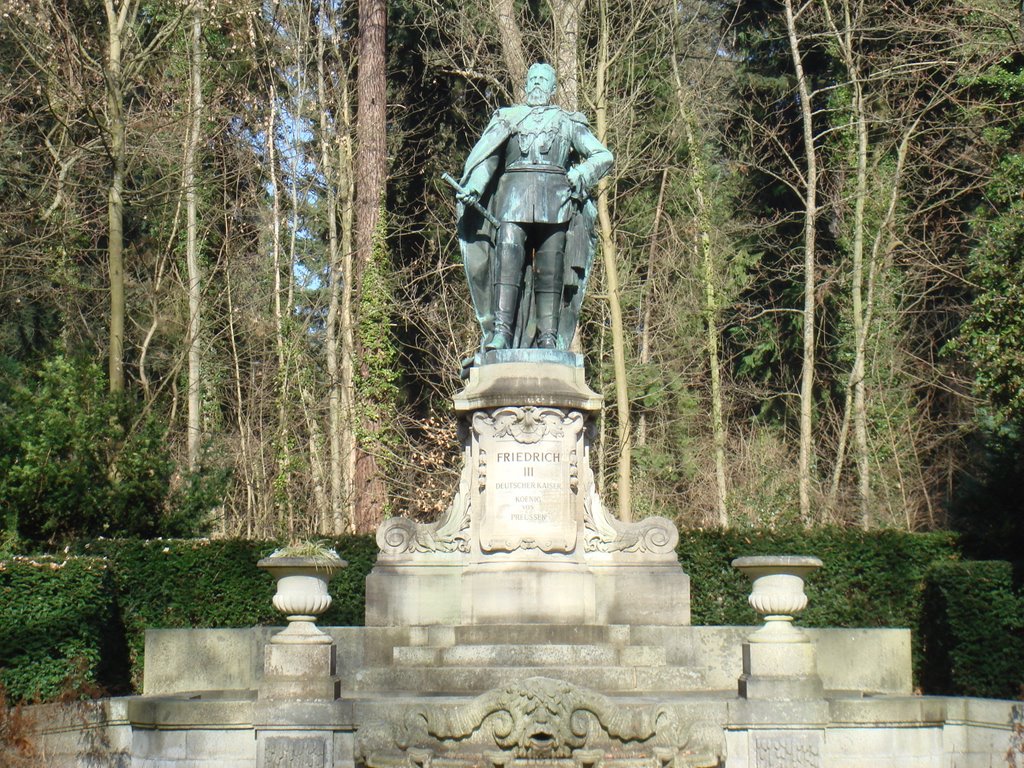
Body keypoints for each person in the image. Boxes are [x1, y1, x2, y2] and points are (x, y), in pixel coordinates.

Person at [454, 63, 613, 352]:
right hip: (512, 201)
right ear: (526, 85)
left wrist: (583, 172)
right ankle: (501, 333)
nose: (538, 84)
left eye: (544, 81)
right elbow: (488, 158)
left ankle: (549, 338)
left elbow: (603, 156)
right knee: (507, 266)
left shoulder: (568, 122)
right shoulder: (508, 118)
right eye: (533, 79)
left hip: (557, 203)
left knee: (551, 271)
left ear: (553, 90)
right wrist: (476, 186)